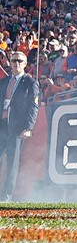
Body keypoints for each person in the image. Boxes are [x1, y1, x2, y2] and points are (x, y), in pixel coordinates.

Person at [0, 52, 39, 201]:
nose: (16, 63)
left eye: (19, 61)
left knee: (12, 162)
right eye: (14, 60)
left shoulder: (30, 83)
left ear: (25, 63)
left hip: (16, 127)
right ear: (10, 62)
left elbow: (33, 107)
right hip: (2, 124)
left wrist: (29, 127)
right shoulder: (3, 82)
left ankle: (6, 196)